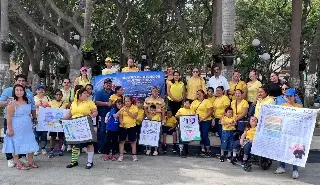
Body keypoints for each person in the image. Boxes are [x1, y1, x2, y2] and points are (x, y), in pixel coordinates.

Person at [0, 74, 36, 168]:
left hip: (26, 124)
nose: (21, 83)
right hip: (13, 123)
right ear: (15, 81)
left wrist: (34, 118)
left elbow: (32, 107)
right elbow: (3, 107)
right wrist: (10, 129)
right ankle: (13, 160)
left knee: (27, 141)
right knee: (14, 142)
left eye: (23, 81)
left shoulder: (28, 96)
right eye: (19, 81)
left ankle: (27, 160)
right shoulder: (9, 96)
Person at [64, 87, 98, 169]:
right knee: (75, 144)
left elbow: (95, 112)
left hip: (85, 124)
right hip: (75, 125)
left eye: (87, 93)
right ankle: (74, 161)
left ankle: (90, 162)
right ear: (79, 95)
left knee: (89, 143)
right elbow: (70, 113)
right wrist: (63, 120)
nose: (87, 94)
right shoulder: (73, 103)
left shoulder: (90, 102)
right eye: (85, 93)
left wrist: (93, 115)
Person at [274, 88, 302, 179]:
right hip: (284, 132)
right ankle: (282, 167)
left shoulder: (299, 107)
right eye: (287, 96)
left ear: (294, 97)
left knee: (295, 151)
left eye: (291, 96)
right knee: (283, 149)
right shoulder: (282, 106)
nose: (289, 98)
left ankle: (295, 170)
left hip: (295, 133)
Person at [191, 90, 213, 156]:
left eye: (200, 94)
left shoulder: (207, 101)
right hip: (196, 121)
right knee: (200, 134)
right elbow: (191, 111)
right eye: (197, 94)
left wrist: (202, 118)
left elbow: (210, 112)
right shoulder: (194, 102)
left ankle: (208, 149)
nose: (199, 95)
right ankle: (202, 148)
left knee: (204, 134)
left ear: (203, 94)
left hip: (206, 120)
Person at [94, 79, 114, 153]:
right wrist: (106, 104)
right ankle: (100, 148)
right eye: (107, 83)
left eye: (110, 83)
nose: (108, 84)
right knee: (102, 131)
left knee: (111, 131)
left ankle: (109, 148)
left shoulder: (113, 93)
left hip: (112, 115)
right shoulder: (100, 92)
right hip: (102, 114)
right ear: (104, 84)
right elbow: (96, 102)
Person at [48, 89, 68, 158]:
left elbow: (69, 109)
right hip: (53, 123)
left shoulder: (65, 103)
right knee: (52, 137)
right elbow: (46, 109)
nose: (58, 96)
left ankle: (60, 149)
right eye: (57, 94)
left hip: (61, 123)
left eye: (60, 94)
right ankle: (51, 150)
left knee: (60, 137)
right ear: (55, 95)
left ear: (62, 96)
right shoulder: (51, 102)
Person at [118, 96, 139, 161]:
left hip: (132, 126)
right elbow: (120, 117)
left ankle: (134, 155)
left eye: (128, 101)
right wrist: (121, 122)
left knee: (133, 141)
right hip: (123, 127)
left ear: (131, 101)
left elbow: (134, 116)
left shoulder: (135, 108)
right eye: (125, 101)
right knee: (122, 141)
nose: (127, 103)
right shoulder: (122, 108)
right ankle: (121, 155)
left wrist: (128, 111)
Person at [33, 85, 50, 156]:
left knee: (44, 135)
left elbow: (51, 106)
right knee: (36, 135)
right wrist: (37, 104)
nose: (41, 91)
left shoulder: (47, 98)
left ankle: (43, 148)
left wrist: (46, 105)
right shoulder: (33, 98)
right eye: (39, 89)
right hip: (36, 118)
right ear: (36, 91)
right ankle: (36, 149)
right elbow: (31, 106)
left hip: (44, 120)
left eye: (42, 89)